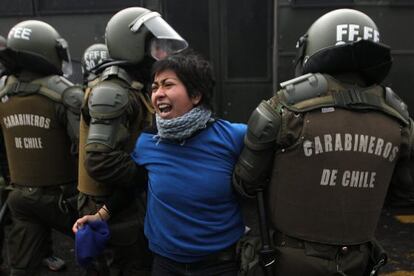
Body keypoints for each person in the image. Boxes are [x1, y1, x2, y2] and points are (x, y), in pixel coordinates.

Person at [233, 8, 413, 276]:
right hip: (358, 260)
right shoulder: (399, 119)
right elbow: (404, 194)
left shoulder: (283, 108)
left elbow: (245, 184)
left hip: (289, 261)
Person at [74, 51, 246, 276]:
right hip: (165, 265)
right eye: (155, 87)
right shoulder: (147, 141)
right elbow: (136, 184)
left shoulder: (234, 137)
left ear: (195, 95)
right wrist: (101, 215)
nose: (158, 94)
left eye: (168, 85)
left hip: (220, 265)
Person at [76, 7, 188, 276]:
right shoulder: (113, 91)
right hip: (110, 206)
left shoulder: (130, 86)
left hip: (121, 201)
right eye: (156, 48)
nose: (162, 56)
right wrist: (150, 172)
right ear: (133, 45)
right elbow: (100, 161)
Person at [0, 20, 82, 276]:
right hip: (65, 200)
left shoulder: (4, 91)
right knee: (108, 249)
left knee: (22, 267)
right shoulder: (66, 95)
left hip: (20, 196)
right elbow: (87, 150)